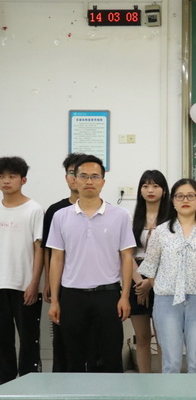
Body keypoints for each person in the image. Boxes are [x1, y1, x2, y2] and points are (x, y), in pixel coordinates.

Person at [47, 155, 136, 373]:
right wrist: (55, 300)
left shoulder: (120, 215)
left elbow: (126, 257)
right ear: (74, 180)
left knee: (110, 357)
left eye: (95, 176)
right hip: (72, 296)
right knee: (73, 358)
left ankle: (111, 396)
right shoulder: (60, 216)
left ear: (103, 182)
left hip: (108, 295)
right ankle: (75, 396)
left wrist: (124, 296)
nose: (89, 181)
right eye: (83, 176)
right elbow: (56, 259)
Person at [138, 179, 196, 374]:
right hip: (167, 300)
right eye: (180, 196)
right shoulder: (161, 232)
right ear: (172, 201)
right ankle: (171, 395)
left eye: (191, 196)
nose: (185, 200)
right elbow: (151, 267)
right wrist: (163, 287)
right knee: (171, 362)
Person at [0, 156, 44, 385]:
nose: (6, 181)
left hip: (25, 285)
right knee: (2, 340)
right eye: (1, 177)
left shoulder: (34, 209)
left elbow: (39, 249)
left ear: (23, 180)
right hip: (1, 284)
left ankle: (29, 388)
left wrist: (34, 283)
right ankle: (5, 388)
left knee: (29, 339)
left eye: (12, 176)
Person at [41, 153, 84, 373]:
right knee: (63, 339)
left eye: (81, 173)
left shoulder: (106, 210)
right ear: (67, 177)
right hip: (64, 285)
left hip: (95, 287)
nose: (76, 177)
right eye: (71, 172)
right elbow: (49, 251)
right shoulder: (54, 211)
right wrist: (50, 283)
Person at [127, 170, 170, 373]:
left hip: (162, 279)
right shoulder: (131, 218)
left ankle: (163, 382)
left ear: (164, 190)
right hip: (136, 279)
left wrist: (150, 282)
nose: (150, 190)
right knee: (142, 338)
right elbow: (126, 254)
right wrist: (139, 282)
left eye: (155, 186)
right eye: (145, 186)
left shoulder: (171, 219)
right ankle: (144, 381)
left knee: (163, 338)